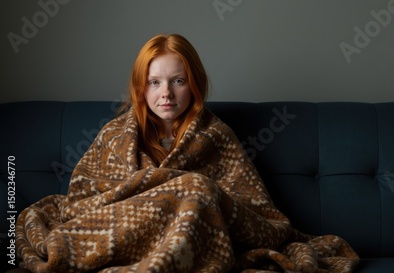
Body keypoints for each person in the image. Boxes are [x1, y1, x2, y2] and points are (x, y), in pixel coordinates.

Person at [14, 34, 359, 273]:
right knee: (191, 187)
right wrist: (158, 193)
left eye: (177, 81)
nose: (166, 93)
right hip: (124, 234)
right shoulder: (114, 136)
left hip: (196, 236)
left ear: (193, 84)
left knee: (197, 189)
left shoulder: (215, 136)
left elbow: (256, 210)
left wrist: (191, 193)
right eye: (155, 82)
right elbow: (79, 204)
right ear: (141, 87)